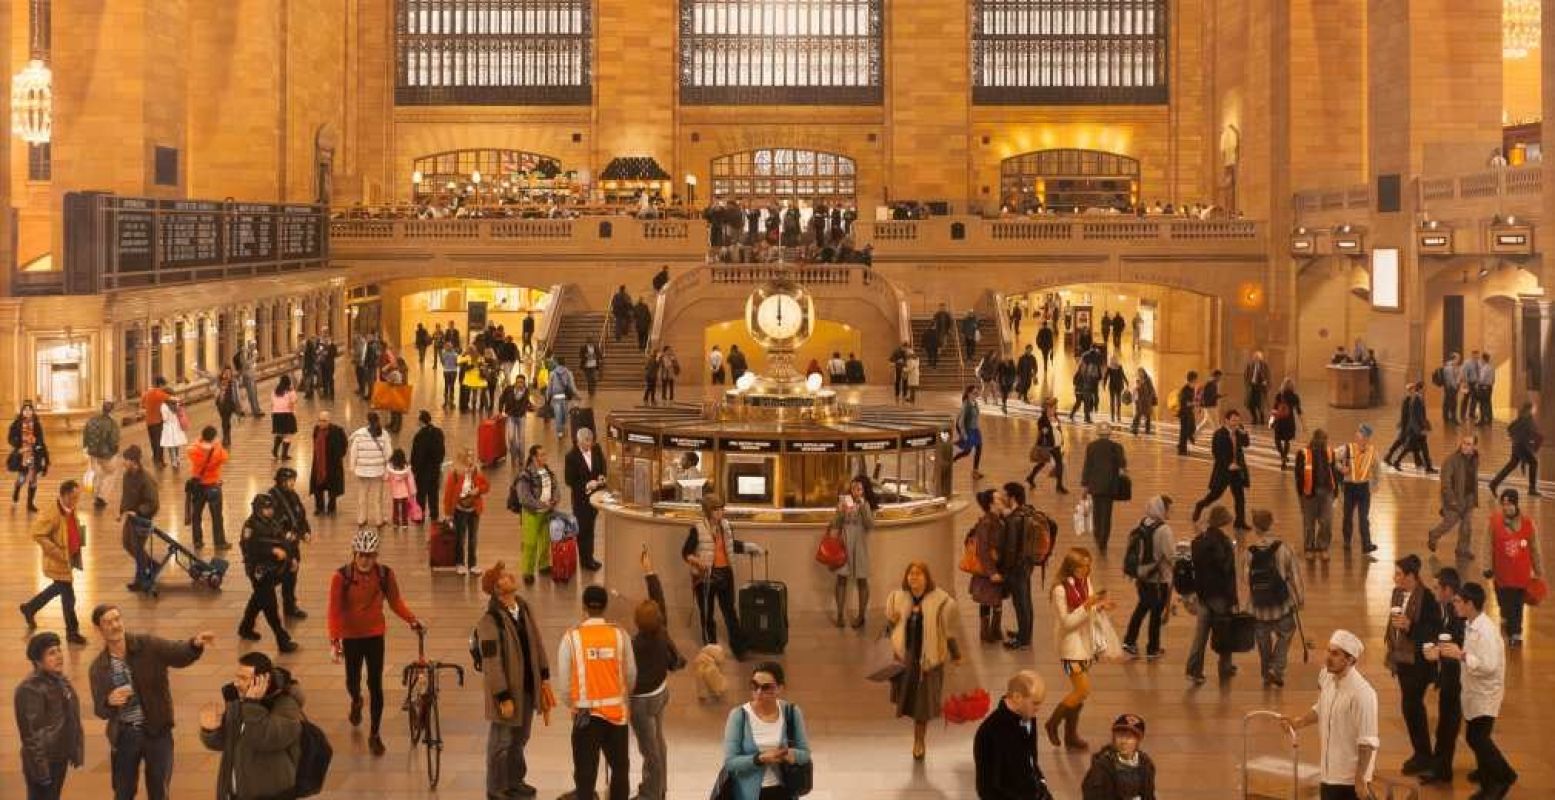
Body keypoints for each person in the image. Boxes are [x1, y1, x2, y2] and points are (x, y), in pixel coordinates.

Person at [88, 604, 214, 800]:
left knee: (159, 790)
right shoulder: (99, 668)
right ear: (98, 629)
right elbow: (99, 709)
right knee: (123, 791)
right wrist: (109, 701)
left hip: (157, 731)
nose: (115, 625)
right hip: (125, 736)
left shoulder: (147, 645)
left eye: (117, 619)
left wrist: (194, 644)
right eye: (107, 622)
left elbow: (177, 653)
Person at [327, 528, 422, 757]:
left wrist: (413, 620)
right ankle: (357, 700)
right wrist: (335, 640)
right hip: (351, 637)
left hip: (374, 635)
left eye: (369, 555)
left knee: (375, 685)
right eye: (360, 554)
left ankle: (375, 734)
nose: (364, 560)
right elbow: (335, 610)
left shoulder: (385, 575)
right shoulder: (341, 577)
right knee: (352, 682)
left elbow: (395, 601)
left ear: (376, 555)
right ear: (354, 553)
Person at [474, 562, 555, 800]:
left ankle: (515, 781)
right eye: (503, 577)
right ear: (496, 589)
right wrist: (502, 696)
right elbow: (492, 663)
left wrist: (545, 676)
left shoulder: (524, 607)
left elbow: (536, 641)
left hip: (527, 688)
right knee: (501, 742)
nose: (510, 576)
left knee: (520, 738)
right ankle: (496, 788)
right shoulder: (490, 621)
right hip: (507, 692)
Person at [1434, 582, 1517, 797]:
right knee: (1476, 737)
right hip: (1473, 693)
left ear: (1470, 604)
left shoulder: (1486, 631)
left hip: (1485, 695)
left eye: (1458, 601)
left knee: (1477, 738)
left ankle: (1504, 776)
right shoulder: (1471, 624)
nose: (1455, 604)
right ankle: (1490, 785)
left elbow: (1488, 666)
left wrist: (1460, 655)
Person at [557, 585, 637, 800]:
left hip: (585, 715)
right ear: (605, 606)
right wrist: (621, 697)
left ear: (584, 606)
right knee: (620, 769)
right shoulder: (620, 635)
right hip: (616, 715)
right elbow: (631, 675)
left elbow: (564, 684)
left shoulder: (571, 638)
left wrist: (575, 703)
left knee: (585, 773)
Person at [1279, 630, 1378, 800]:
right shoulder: (1326, 677)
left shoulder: (1363, 694)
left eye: (1335, 654)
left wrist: (1360, 780)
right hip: (1328, 773)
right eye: (1328, 651)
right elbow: (1321, 706)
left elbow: (1367, 742)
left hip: (1349, 780)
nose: (1328, 658)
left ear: (1350, 660)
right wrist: (1299, 722)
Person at [197, 651, 302, 800]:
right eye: (237, 676)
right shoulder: (240, 703)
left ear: (263, 681)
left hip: (271, 795)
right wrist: (210, 730)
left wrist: (252, 706)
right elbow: (226, 742)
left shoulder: (286, 706)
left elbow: (264, 738)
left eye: (244, 678)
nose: (236, 683)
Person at [886, 561, 961, 760]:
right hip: (907, 660)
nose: (914, 578)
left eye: (919, 574)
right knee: (910, 702)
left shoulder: (940, 601)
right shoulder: (899, 599)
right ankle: (917, 737)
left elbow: (949, 631)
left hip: (929, 661)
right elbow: (889, 632)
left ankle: (919, 741)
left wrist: (956, 654)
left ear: (926, 578)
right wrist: (891, 622)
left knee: (922, 706)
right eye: (911, 574)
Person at [626, 552, 684, 800]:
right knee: (659, 743)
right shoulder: (662, 631)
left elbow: (627, 675)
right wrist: (650, 571)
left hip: (641, 702)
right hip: (661, 693)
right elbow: (658, 598)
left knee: (649, 750)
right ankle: (660, 789)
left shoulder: (634, 645)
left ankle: (650, 794)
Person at [1044, 547, 1113, 751]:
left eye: (1088, 566)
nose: (1085, 570)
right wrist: (1088, 606)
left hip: (1085, 645)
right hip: (1070, 648)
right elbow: (1067, 622)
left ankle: (1071, 735)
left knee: (1079, 692)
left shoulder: (1085, 582)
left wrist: (1101, 605)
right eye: (1081, 566)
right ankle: (1052, 723)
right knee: (1083, 689)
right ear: (1071, 566)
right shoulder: (1059, 589)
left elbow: (1089, 607)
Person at [719, 661, 812, 800]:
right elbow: (730, 762)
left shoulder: (791, 712)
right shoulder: (739, 715)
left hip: (785, 790)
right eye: (754, 686)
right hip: (748, 794)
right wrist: (759, 759)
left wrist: (788, 754)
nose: (758, 692)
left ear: (780, 688)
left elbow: (805, 753)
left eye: (766, 687)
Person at [682, 493, 758, 659]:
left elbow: (730, 545)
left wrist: (748, 547)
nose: (720, 512)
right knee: (707, 615)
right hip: (706, 577)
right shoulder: (697, 529)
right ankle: (712, 650)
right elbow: (686, 553)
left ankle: (740, 649)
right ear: (708, 511)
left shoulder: (726, 526)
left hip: (725, 573)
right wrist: (697, 561)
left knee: (730, 612)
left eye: (722, 508)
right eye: (716, 509)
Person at [1384, 554, 1441, 775]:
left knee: (1412, 706)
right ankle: (1421, 753)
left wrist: (1410, 626)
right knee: (1410, 707)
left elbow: (1433, 631)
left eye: (1398, 574)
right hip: (1402, 661)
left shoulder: (1427, 598)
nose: (1394, 577)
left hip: (1418, 662)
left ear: (1411, 576)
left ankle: (1423, 754)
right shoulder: (1397, 593)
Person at [16, 631, 86, 800]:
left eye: (59, 650)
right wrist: (41, 771)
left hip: (58, 756)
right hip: (45, 761)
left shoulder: (59, 680)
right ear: (38, 661)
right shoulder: (31, 689)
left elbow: (71, 718)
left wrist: (75, 750)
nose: (59, 656)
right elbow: (31, 735)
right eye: (51, 653)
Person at [19, 482, 88, 644]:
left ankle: (29, 608)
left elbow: (73, 526)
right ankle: (72, 633)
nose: (76, 500)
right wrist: (56, 551)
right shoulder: (52, 512)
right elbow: (37, 533)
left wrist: (79, 542)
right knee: (69, 598)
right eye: (73, 497)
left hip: (68, 559)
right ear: (63, 495)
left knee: (57, 589)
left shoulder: (70, 508)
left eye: (77, 497)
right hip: (59, 562)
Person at [1245, 509, 1305, 687]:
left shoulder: (1249, 552)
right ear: (1271, 524)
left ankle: (1266, 674)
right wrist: (1300, 598)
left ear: (1255, 528)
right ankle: (1276, 669)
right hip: (1282, 605)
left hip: (1259, 606)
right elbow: (1295, 576)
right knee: (1286, 633)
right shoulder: (1284, 549)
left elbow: (1246, 579)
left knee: (1263, 641)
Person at [1417, 568, 1465, 785]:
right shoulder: (1446, 608)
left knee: (1449, 726)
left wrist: (1438, 650)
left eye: (1437, 587)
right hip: (1448, 678)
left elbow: (1458, 645)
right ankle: (1440, 767)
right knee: (1445, 725)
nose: (1434, 591)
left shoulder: (1458, 612)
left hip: (1457, 680)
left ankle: (1442, 770)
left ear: (1448, 590)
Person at [974, 670, 1052, 800]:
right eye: (1035, 703)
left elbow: (1031, 760)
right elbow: (986, 789)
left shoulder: (1029, 716)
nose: (1038, 709)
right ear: (1017, 697)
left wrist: (1042, 784)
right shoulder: (989, 732)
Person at [234, 494, 298, 653]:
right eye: (266, 508)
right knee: (270, 605)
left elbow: (282, 540)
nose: (269, 511)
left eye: (270, 508)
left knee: (259, 599)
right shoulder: (250, 526)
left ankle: (245, 627)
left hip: (274, 569)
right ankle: (282, 639)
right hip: (259, 572)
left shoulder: (272, 522)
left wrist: (291, 558)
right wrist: (271, 551)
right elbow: (249, 548)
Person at [1481, 488, 1544, 647]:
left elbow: (1534, 548)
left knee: (1516, 605)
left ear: (1516, 504)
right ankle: (1506, 616)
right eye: (1503, 504)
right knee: (1503, 601)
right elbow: (1487, 545)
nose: (1506, 507)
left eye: (1509, 504)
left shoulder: (1528, 524)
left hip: (1520, 575)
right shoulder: (1494, 521)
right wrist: (1487, 566)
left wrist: (1538, 571)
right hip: (1501, 574)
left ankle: (1516, 633)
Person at [1185, 506, 1239, 685]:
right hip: (1220, 595)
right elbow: (1228, 572)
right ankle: (1225, 666)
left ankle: (1194, 670)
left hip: (1203, 594)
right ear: (1223, 523)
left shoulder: (1198, 541)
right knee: (1225, 632)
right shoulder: (1224, 543)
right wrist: (1233, 599)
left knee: (1200, 635)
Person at [1121, 495, 1174, 660]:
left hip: (1142, 575)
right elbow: (1171, 555)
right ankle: (1153, 648)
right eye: (1169, 508)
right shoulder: (1164, 530)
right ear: (1162, 509)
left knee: (1141, 608)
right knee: (1156, 615)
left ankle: (1129, 641)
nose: (1171, 512)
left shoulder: (1142, 523)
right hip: (1158, 579)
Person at [1000, 482, 1049, 651]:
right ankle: (1024, 633)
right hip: (1027, 564)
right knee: (1026, 599)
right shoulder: (1028, 511)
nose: (1003, 498)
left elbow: (1011, 548)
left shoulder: (1014, 519)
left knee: (1020, 602)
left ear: (1012, 497)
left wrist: (1005, 569)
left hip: (1017, 567)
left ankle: (1023, 640)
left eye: (1005, 495)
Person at [829, 476, 879, 628]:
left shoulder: (867, 504)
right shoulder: (845, 502)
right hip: (844, 544)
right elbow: (836, 523)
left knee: (862, 580)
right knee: (841, 579)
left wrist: (863, 505)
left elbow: (870, 525)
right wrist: (839, 511)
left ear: (864, 490)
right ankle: (839, 615)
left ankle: (862, 616)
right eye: (853, 488)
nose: (855, 491)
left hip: (860, 546)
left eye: (858, 488)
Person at [1191, 410, 1251, 530]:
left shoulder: (1239, 432)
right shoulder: (1219, 434)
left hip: (1237, 471)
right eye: (1233, 420)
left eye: (1238, 420)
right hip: (1224, 471)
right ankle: (1200, 505)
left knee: (1240, 497)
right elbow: (1216, 453)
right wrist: (1228, 465)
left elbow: (1246, 444)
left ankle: (1240, 522)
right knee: (1215, 495)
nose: (1236, 423)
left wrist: (1244, 433)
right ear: (1227, 420)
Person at [1080, 714, 1158, 800]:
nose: (1123, 741)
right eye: (1120, 736)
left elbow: (1149, 795)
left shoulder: (1146, 764)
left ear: (1138, 740)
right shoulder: (1101, 767)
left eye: (1129, 737)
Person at [268, 467, 311, 620]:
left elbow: (301, 514)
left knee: (291, 575)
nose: (293, 483)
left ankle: (290, 606)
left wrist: (305, 531)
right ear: (282, 481)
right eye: (290, 480)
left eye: (294, 480)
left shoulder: (293, 495)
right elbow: (270, 521)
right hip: (279, 545)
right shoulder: (271, 498)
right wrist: (283, 534)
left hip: (293, 544)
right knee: (276, 577)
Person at [1428, 434, 1480, 558]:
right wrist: (1451, 500)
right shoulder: (1451, 460)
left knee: (1466, 527)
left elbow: (1473, 478)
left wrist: (1474, 497)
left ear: (1474, 446)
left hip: (1470, 497)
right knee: (1449, 523)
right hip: (1455, 498)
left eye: (1469, 444)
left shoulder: (1475, 458)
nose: (1465, 446)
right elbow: (1445, 482)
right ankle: (1434, 535)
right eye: (1464, 443)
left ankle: (1462, 550)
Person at [1293, 429, 1340, 561]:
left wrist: (1336, 491)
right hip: (1309, 494)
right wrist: (1300, 495)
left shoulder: (1330, 453)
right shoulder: (1303, 454)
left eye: (1325, 440)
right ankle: (1309, 548)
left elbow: (1334, 472)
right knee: (1309, 523)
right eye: (1322, 440)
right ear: (1314, 440)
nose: (1324, 443)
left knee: (1327, 522)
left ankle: (1323, 547)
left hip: (1327, 492)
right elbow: (1297, 475)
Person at [515, 444, 560, 583]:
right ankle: (527, 572)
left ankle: (544, 565)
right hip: (531, 514)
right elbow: (524, 497)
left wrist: (554, 500)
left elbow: (556, 488)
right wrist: (541, 505)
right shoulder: (525, 475)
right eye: (541, 455)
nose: (544, 457)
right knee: (530, 543)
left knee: (545, 541)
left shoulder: (548, 472)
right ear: (534, 457)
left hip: (547, 513)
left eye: (545, 454)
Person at [1080, 422, 1128, 552]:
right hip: (1110, 485)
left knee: (1096, 511)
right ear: (1109, 434)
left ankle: (1097, 534)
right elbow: (1123, 464)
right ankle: (1103, 540)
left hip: (1095, 484)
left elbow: (1087, 466)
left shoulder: (1091, 446)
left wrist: (1084, 485)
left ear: (1098, 433)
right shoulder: (1117, 447)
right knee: (1107, 514)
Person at [566, 427, 609, 572]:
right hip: (581, 500)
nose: (589, 445)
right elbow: (569, 480)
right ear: (579, 441)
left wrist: (602, 476)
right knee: (584, 530)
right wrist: (586, 485)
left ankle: (589, 557)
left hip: (595, 497)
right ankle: (585, 561)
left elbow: (602, 464)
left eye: (591, 441)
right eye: (586, 442)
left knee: (591, 527)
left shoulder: (596, 449)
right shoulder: (571, 456)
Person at [443, 448, 491, 576]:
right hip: (459, 510)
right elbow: (448, 495)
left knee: (473, 538)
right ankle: (459, 563)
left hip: (474, 509)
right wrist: (448, 513)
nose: (471, 459)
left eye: (472, 456)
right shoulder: (454, 474)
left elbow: (486, 486)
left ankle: (473, 564)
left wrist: (478, 490)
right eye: (468, 457)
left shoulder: (476, 471)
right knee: (460, 537)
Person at [969, 489, 1008, 644]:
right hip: (987, 571)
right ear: (991, 504)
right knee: (986, 601)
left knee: (996, 599)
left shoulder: (998, 519)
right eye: (998, 499)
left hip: (996, 567)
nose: (1002, 500)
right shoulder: (987, 523)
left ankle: (995, 630)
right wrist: (991, 572)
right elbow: (983, 549)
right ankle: (986, 632)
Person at [118, 447, 160, 593]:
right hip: (130, 517)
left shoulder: (145, 479)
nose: (123, 462)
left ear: (134, 461)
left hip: (141, 519)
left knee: (136, 547)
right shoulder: (127, 475)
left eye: (126, 459)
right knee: (127, 543)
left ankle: (140, 579)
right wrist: (122, 511)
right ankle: (152, 565)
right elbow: (126, 496)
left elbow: (153, 502)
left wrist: (138, 512)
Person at [1337, 424, 1380, 554]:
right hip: (1350, 487)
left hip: (1363, 488)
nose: (1358, 435)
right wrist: (1341, 468)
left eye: (1361, 434)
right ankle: (1347, 540)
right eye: (1358, 433)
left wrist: (1375, 484)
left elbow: (1376, 468)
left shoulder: (1373, 452)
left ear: (1366, 438)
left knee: (1363, 517)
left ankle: (1366, 544)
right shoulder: (1347, 448)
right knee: (1348, 516)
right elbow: (1334, 458)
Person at [346, 412, 392, 527]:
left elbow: (353, 452)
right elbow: (389, 453)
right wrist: (387, 467)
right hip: (378, 471)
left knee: (362, 496)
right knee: (377, 498)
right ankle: (378, 520)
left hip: (362, 471)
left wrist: (353, 467)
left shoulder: (360, 434)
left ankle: (362, 519)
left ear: (367, 420)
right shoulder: (384, 434)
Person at [1487, 401, 1540, 497]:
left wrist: (1513, 438)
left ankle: (1494, 483)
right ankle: (1532, 489)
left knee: (1511, 465)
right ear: (1531, 409)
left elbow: (1510, 427)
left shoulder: (1522, 417)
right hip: (1522, 446)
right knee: (1533, 463)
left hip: (1517, 445)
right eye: (1535, 408)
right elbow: (1531, 433)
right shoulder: (1528, 419)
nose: (1536, 410)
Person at [9, 400, 49, 512]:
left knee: (33, 480)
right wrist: (18, 444)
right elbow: (10, 439)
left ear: (32, 412)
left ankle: (30, 504)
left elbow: (41, 439)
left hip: (34, 454)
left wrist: (37, 443)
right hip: (22, 454)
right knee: (22, 479)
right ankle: (16, 491)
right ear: (22, 411)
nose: (27, 412)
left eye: (30, 410)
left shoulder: (37, 424)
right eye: (25, 410)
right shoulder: (16, 424)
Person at [1383, 382, 1433, 472]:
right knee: (1402, 443)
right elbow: (1407, 415)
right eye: (1412, 389)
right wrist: (1404, 425)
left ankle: (1420, 463)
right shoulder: (1409, 399)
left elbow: (1419, 415)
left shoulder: (1414, 398)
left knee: (1413, 446)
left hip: (1412, 427)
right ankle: (1391, 458)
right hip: (1410, 427)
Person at [83, 400, 122, 511]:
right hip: (106, 454)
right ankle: (102, 497)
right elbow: (114, 440)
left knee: (97, 474)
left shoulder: (91, 420)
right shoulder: (112, 422)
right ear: (112, 410)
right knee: (111, 473)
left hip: (93, 453)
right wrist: (115, 450)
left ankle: (96, 495)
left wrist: (87, 447)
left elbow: (85, 434)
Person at [307, 411, 348, 516]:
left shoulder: (337, 431)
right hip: (319, 464)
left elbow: (344, 445)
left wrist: (338, 456)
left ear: (329, 421)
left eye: (324, 421)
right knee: (318, 487)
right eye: (320, 420)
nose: (321, 423)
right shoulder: (316, 430)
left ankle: (331, 508)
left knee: (332, 488)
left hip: (332, 465)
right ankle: (319, 507)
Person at [409, 410, 445, 524]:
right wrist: (438, 463)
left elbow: (416, 455)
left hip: (422, 471)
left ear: (421, 421)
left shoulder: (419, 436)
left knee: (421, 495)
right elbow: (442, 451)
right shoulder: (438, 432)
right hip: (435, 469)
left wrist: (414, 470)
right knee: (433, 493)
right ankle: (434, 515)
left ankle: (420, 515)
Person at [1026, 398, 1069, 493]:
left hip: (1056, 444)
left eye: (1055, 407)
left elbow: (1058, 430)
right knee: (1042, 463)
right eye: (1054, 407)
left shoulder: (1055, 417)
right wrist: (1046, 430)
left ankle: (1059, 486)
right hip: (1047, 446)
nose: (1055, 408)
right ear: (1047, 408)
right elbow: (1044, 432)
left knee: (1059, 464)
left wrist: (1061, 440)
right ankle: (1031, 477)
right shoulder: (1042, 420)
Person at [952, 385, 985, 480]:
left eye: (977, 393)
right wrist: (964, 434)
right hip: (968, 430)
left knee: (979, 448)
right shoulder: (966, 405)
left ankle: (975, 471)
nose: (976, 394)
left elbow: (975, 417)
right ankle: (952, 459)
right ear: (968, 394)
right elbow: (961, 421)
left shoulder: (975, 403)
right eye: (974, 393)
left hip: (975, 430)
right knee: (967, 451)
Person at [1270, 377, 1302, 468]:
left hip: (1279, 421)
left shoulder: (1279, 395)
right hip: (1289, 421)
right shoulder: (1295, 397)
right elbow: (1299, 411)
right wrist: (1303, 424)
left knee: (1277, 440)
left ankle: (1282, 456)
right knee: (1287, 441)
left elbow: (1274, 409)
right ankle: (1284, 458)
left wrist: (1271, 421)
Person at [140, 378, 172, 468]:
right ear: (160, 384)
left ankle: (155, 458)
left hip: (149, 421)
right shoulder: (160, 393)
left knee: (153, 441)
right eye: (164, 385)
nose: (165, 387)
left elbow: (142, 405)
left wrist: (150, 407)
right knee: (160, 442)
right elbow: (171, 399)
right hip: (158, 420)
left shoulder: (146, 393)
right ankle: (159, 461)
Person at [544, 357, 577, 440]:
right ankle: (564, 426)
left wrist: (548, 396)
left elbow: (549, 386)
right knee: (564, 414)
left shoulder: (552, 373)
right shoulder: (568, 373)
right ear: (565, 363)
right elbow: (572, 385)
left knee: (558, 414)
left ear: (557, 363)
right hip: (565, 396)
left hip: (556, 397)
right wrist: (576, 394)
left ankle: (559, 432)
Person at [268, 375, 299, 461]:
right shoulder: (290, 391)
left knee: (279, 433)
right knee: (287, 434)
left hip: (276, 415)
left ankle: (275, 451)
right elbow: (293, 402)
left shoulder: (274, 391)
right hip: (287, 414)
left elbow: (272, 403)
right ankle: (284, 454)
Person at [158, 397, 188, 469]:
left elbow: (165, 419)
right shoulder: (175, 402)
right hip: (176, 425)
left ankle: (173, 462)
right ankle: (177, 458)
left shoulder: (164, 406)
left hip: (168, 427)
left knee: (170, 445)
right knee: (176, 443)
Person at [1175, 372, 1198, 455]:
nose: (1196, 381)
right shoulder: (1185, 389)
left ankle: (1183, 443)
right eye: (1195, 379)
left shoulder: (1191, 388)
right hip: (1184, 413)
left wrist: (1194, 404)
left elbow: (1191, 400)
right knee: (1184, 431)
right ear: (1192, 379)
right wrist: (1193, 403)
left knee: (1192, 427)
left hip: (1189, 412)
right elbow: (1184, 402)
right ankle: (1182, 450)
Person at [1244, 351, 1271, 425]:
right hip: (1252, 386)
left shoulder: (1264, 365)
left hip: (1260, 387)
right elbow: (1246, 374)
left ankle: (1262, 419)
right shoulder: (1250, 365)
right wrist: (1247, 384)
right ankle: (1254, 418)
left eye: (1258, 358)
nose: (1257, 359)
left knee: (1260, 405)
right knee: (1250, 404)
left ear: (1261, 358)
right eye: (1255, 357)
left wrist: (1267, 384)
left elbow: (1268, 375)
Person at [1129, 367, 1156, 436]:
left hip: (1147, 400)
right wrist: (1136, 390)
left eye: (1141, 372)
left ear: (1144, 372)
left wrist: (1151, 396)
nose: (1140, 374)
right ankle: (1135, 429)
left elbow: (1152, 388)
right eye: (1139, 372)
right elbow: (1135, 390)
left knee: (1148, 415)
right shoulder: (1137, 380)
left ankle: (1147, 430)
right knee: (1137, 415)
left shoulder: (1148, 379)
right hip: (1139, 400)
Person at [1103, 356, 1126, 422]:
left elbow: (1123, 375)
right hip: (1112, 387)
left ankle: (1118, 416)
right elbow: (1106, 377)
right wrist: (1104, 385)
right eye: (1112, 360)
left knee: (1118, 402)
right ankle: (1112, 416)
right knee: (1112, 402)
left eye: (1115, 360)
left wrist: (1126, 382)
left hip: (1119, 386)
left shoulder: (1120, 367)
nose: (1113, 361)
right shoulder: (1109, 368)